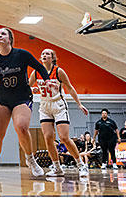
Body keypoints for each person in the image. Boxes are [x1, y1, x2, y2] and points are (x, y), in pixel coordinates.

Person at [0, 27, 52, 180]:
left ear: (10, 39)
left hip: (21, 96)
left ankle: (31, 160)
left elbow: (39, 67)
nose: (0, 35)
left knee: (21, 127)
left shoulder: (22, 54)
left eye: (3, 33)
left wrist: (47, 80)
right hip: (3, 98)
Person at [28, 48, 89, 177]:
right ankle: (57, 167)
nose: (44, 55)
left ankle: (80, 164)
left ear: (53, 57)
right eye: (43, 53)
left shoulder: (58, 71)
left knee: (64, 137)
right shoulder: (36, 72)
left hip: (59, 105)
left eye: (47, 54)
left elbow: (70, 88)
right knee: (48, 138)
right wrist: (32, 89)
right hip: (44, 106)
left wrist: (79, 104)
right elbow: (27, 86)